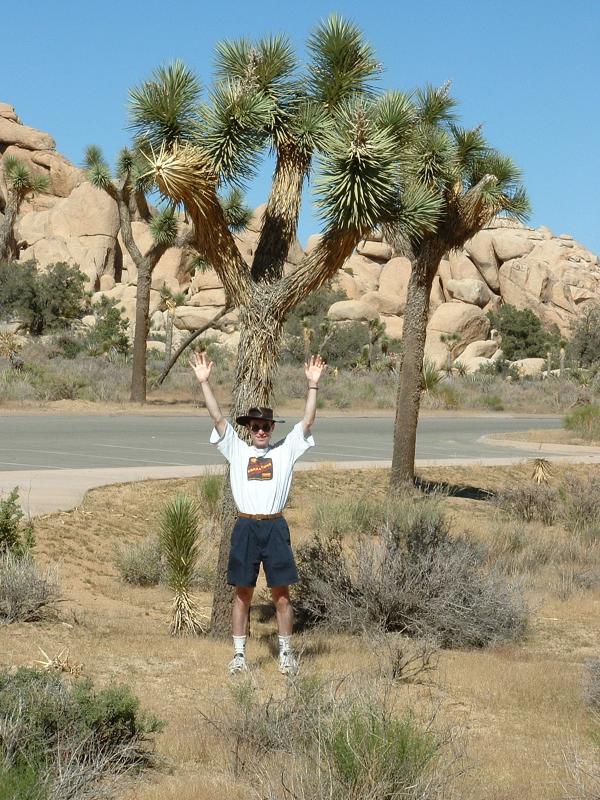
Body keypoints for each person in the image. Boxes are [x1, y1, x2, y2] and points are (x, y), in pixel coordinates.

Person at [190, 351, 326, 676]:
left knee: (281, 595)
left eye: (266, 426)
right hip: (246, 526)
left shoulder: (285, 450)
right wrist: (205, 383)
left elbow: (306, 422)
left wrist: (313, 387)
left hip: (275, 527)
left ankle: (285, 655)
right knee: (242, 593)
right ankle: (239, 656)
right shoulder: (237, 449)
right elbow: (217, 420)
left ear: (271, 428)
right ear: (249, 428)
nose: (261, 431)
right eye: (256, 426)